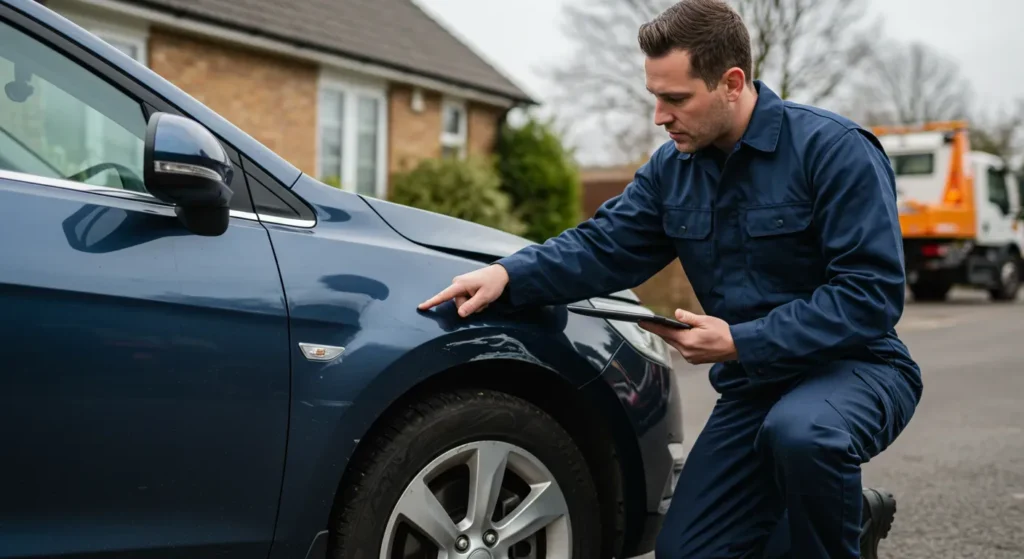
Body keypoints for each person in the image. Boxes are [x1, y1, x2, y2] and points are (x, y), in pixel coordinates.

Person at [418, 0, 922, 557]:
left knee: (803, 434)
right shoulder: (672, 171)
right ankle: (847, 516)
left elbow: (870, 295)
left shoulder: (834, 150)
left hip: (855, 368)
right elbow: (601, 247)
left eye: (676, 99)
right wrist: (507, 275)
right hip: (756, 386)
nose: (660, 116)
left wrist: (741, 340)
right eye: (654, 96)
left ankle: (832, 529)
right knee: (685, 551)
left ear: (732, 83)